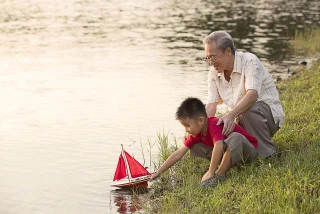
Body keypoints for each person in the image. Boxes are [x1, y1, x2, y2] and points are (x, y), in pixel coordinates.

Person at [203, 31, 285, 158]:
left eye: (213, 57)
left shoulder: (249, 61)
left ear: (228, 51)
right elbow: (211, 105)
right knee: (214, 122)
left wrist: (230, 115)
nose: (211, 62)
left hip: (266, 117)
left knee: (247, 109)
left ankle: (268, 155)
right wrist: (201, 128)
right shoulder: (213, 72)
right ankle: (234, 153)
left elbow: (252, 95)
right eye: (208, 58)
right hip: (239, 118)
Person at [149, 97, 258, 187]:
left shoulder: (213, 123)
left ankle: (219, 175)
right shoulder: (196, 133)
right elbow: (178, 153)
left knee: (235, 137)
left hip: (248, 152)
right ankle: (224, 166)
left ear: (201, 120)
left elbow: (218, 145)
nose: (186, 130)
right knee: (193, 145)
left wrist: (211, 172)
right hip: (233, 155)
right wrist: (158, 172)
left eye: (187, 126)